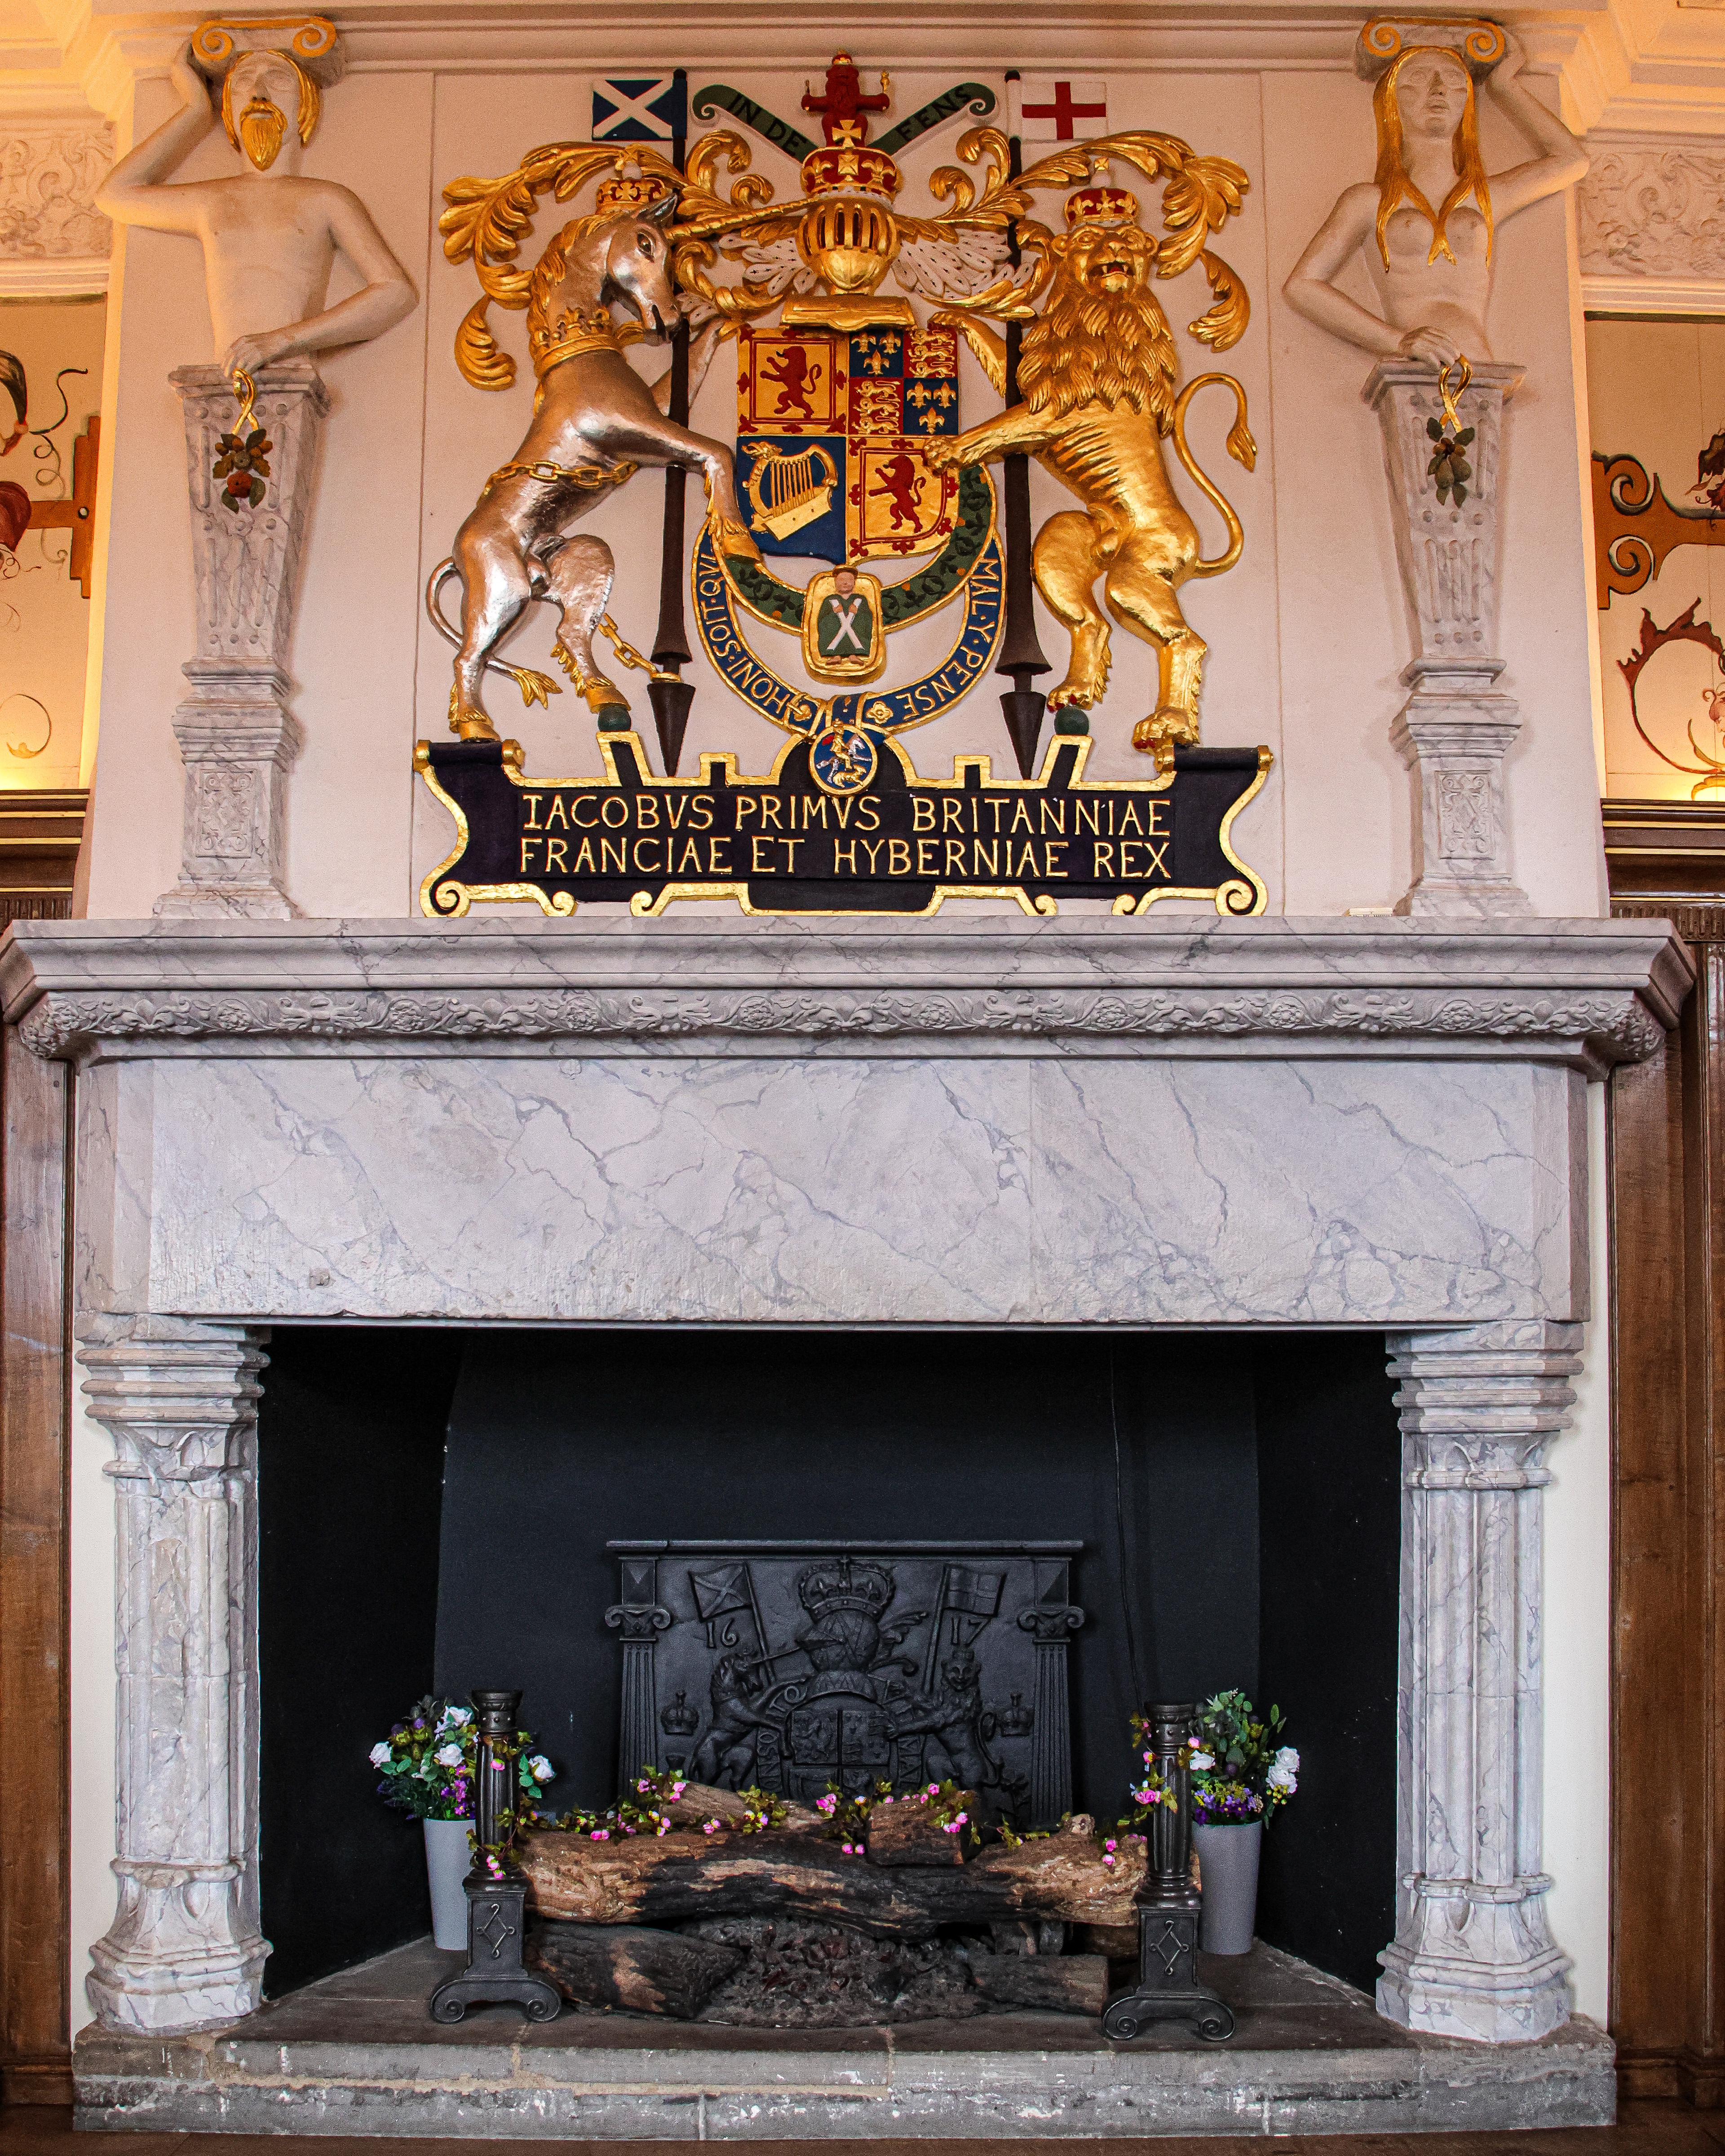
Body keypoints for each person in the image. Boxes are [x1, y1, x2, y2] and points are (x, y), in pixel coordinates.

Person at [96, 43, 415, 377]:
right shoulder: (211, 200)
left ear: (304, 106)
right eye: (243, 83)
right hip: (226, 383)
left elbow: (395, 292)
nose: (258, 94)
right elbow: (114, 195)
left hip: (290, 379)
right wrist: (196, 112)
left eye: (278, 81)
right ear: (229, 109)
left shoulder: (326, 199)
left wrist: (282, 341)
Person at [1283, 31, 1587, 367]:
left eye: (1455, 81)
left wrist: (1504, 87)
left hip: (1479, 364)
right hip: (1415, 369)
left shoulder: (1486, 198)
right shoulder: (1369, 202)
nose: (1439, 89)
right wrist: (1397, 341)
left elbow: (1572, 162)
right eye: (1418, 78)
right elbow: (1302, 286)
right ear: (1393, 99)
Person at [817, 563, 874, 663]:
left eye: (849, 580)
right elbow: (822, 620)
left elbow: (868, 619)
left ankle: (854, 654)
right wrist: (834, 613)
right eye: (842, 580)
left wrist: (858, 613)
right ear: (835, 582)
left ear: (854, 582)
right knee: (831, 628)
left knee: (859, 627)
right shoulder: (830, 600)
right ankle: (835, 655)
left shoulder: (860, 600)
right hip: (835, 631)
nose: (845, 583)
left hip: (855, 631)